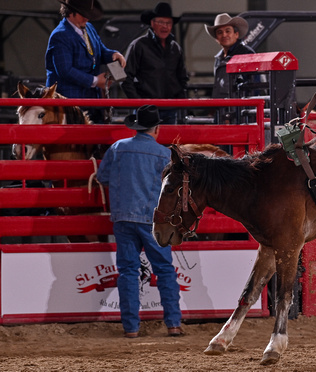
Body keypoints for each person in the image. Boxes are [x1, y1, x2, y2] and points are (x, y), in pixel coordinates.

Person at [97, 105, 183, 338]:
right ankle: (173, 323)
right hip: (152, 219)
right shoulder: (164, 154)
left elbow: (102, 177)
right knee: (164, 269)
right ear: (156, 129)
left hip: (123, 217)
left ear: (136, 127)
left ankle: (131, 328)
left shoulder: (117, 149)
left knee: (127, 271)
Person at [45, 0, 126, 123]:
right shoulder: (60, 35)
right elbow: (65, 71)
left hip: (92, 100)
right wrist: (96, 81)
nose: (87, 18)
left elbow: (99, 50)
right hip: (70, 104)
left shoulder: (88, 28)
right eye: (83, 15)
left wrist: (113, 54)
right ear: (71, 13)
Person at [121, 2, 188, 124]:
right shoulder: (139, 45)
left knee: (169, 142)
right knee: (145, 141)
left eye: (168, 23)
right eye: (161, 22)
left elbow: (182, 78)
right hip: (146, 109)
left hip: (170, 110)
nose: (165, 26)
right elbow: (125, 78)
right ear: (152, 23)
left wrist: (179, 102)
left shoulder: (175, 48)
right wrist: (139, 103)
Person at [205, 13, 255, 100]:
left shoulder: (246, 54)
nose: (224, 35)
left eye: (228, 31)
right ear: (216, 39)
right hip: (225, 108)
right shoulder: (219, 58)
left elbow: (254, 85)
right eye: (220, 32)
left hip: (241, 108)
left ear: (236, 34)